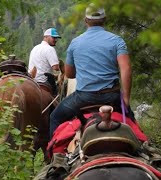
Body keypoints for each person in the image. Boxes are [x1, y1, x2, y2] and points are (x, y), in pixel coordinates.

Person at [49, 3, 134, 138]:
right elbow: (126, 68)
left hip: (83, 97)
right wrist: (126, 99)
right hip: (111, 96)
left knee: (54, 117)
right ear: (104, 19)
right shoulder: (117, 41)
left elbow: (70, 74)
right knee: (132, 122)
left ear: (86, 21)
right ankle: (142, 148)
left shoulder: (75, 43)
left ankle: (54, 157)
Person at [28, 28, 61, 95]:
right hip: (44, 81)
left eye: (56, 38)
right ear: (45, 37)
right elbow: (56, 68)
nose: (55, 40)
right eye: (53, 37)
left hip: (31, 80)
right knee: (58, 96)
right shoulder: (50, 49)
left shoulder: (35, 48)